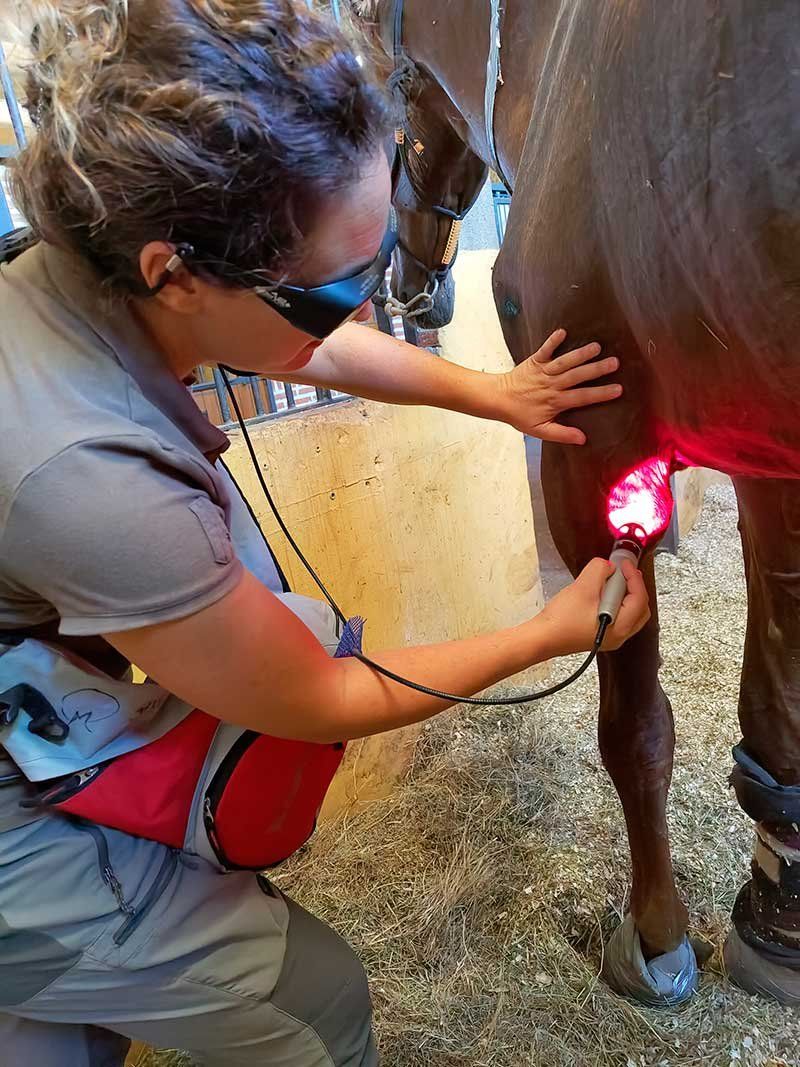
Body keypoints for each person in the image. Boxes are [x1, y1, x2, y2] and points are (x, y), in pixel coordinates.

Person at [0, 2, 650, 1064]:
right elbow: (313, 694)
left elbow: (308, 343)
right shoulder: (86, 473)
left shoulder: (103, 268)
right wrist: (548, 633)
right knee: (311, 1006)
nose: (356, 307)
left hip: (39, 699)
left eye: (374, 257)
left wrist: (497, 394)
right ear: (179, 272)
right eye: (334, 288)